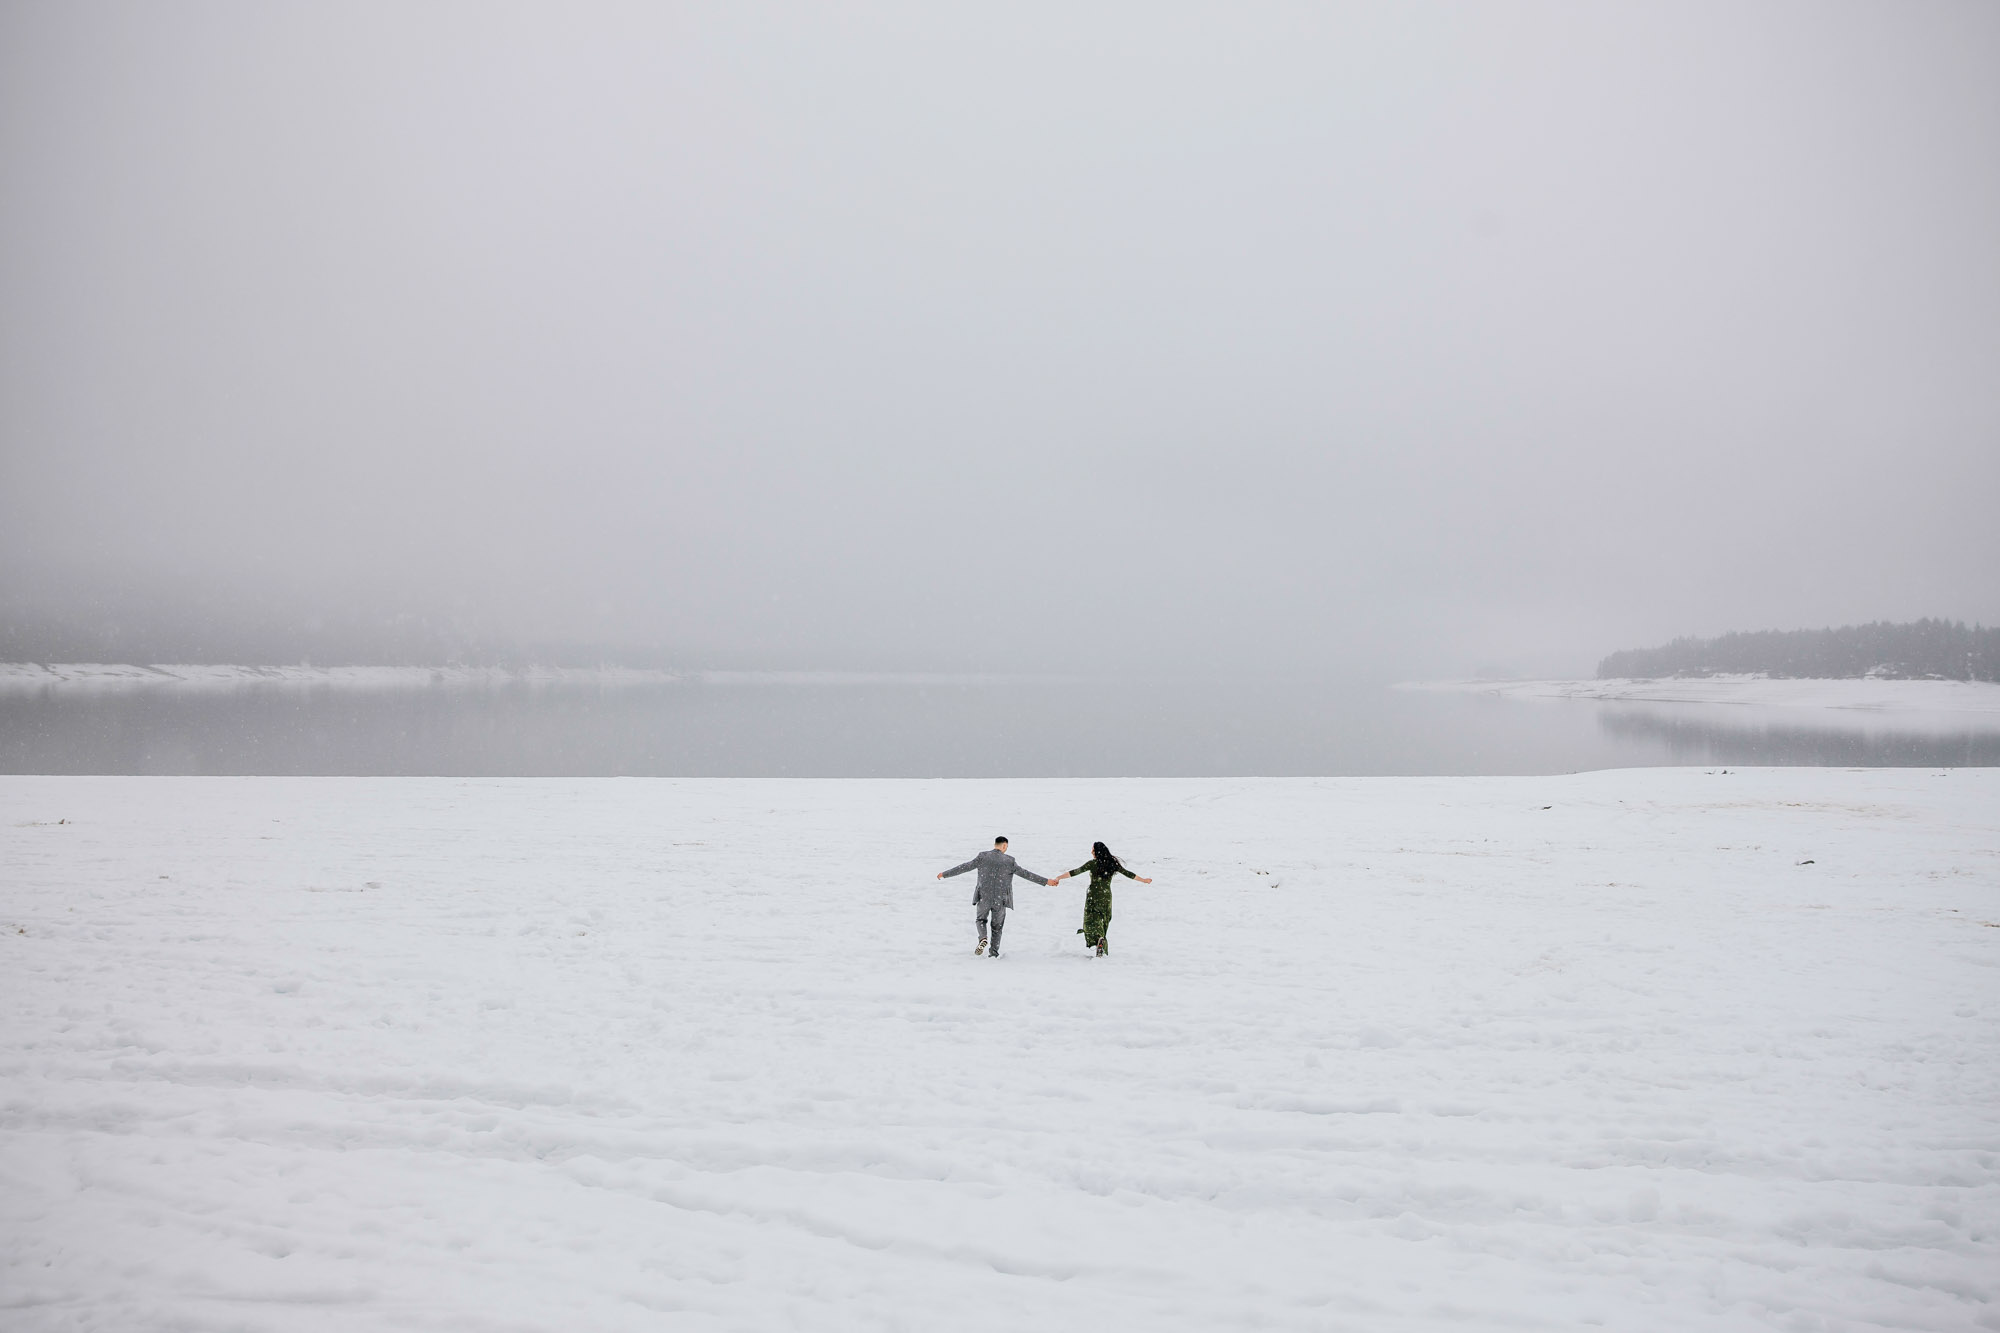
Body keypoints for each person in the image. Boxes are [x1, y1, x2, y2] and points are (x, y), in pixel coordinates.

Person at [937, 836, 1053, 958]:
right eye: (1006, 847)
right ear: (1004, 845)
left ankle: (983, 937)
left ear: (995, 844)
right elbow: (1027, 874)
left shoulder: (982, 856)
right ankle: (993, 953)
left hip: (984, 897)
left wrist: (945, 874)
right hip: (1000, 899)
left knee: (981, 920)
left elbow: (964, 867)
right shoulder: (1010, 861)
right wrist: (1046, 881)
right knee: (997, 927)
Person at [1052, 841, 1151, 956]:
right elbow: (1128, 874)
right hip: (1106, 897)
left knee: (1091, 920)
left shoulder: (1092, 864)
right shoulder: (1112, 863)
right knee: (1103, 918)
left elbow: (1074, 872)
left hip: (1093, 896)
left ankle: (1097, 939)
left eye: (1093, 850)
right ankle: (1101, 941)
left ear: (1097, 852)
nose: (1091, 852)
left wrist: (1059, 877)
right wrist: (1143, 880)